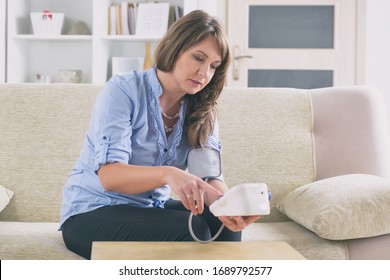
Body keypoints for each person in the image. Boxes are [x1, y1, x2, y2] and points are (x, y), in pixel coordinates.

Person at [60, 10, 260, 260]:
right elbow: (110, 176)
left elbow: (208, 177)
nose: (204, 73)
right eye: (198, 58)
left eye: (213, 66)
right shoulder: (123, 90)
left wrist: (230, 205)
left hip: (148, 209)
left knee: (219, 223)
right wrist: (168, 173)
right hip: (92, 212)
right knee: (194, 228)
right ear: (175, 48)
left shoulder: (203, 109)